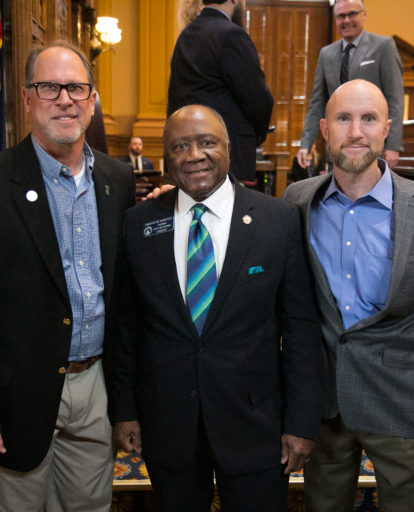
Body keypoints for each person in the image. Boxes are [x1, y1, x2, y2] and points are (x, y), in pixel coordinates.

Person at [0, 42, 134, 512]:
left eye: (76, 88)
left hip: (94, 386)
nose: (65, 99)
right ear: (26, 99)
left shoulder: (117, 179)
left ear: (92, 98)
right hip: (12, 398)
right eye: (49, 87)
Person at [283, 79, 414, 512]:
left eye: (368, 119)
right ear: (324, 129)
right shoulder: (296, 201)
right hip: (324, 404)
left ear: (386, 130)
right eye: (343, 118)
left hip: (404, 405)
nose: (355, 131)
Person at [110, 105, 324, 512]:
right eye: (180, 146)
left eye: (207, 142)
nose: (194, 155)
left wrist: (301, 422)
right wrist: (125, 410)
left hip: (256, 425)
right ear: (166, 157)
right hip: (168, 424)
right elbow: (127, 326)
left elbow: (300, 328)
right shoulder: (138, 224)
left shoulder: (278, 221)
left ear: (227, 148)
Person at [167, 0, 274, 183]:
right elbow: (257, 100)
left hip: (188, 158)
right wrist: (258, 136)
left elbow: (174, 98)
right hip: (226, 155)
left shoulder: (184, 36)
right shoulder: (231, 34)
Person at [297, 0, 404, 170]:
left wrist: (392, 145)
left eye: (352, 14)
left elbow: (395, 98)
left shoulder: (384, 46)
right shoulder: (326, 53)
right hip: (338, 147)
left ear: (364, 14)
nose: (346, 20)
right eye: (341, 16)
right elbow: (317, 102)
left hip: (371, 145)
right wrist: (306, 143)